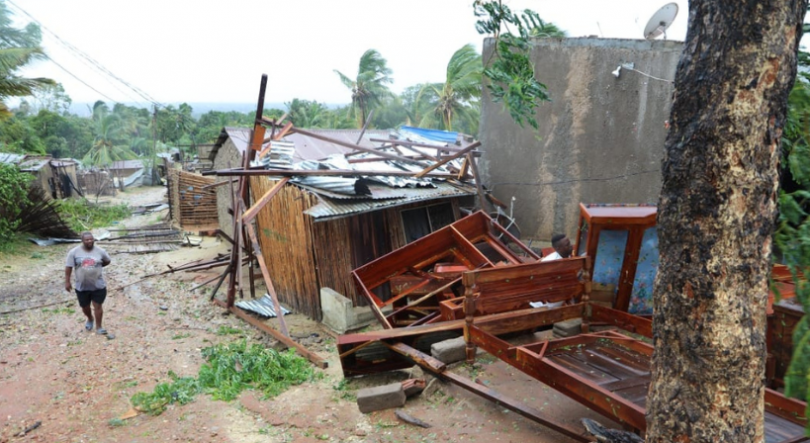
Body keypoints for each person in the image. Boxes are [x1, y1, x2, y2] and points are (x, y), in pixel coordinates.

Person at [65, 232, 112, 335]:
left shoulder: (100, 251)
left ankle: (99, 327)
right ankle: (90, 319)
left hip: (98, 285)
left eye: (91, 239)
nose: (90, 241)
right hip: (82, 286)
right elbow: (68, 267)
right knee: (85, 307)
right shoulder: (74, 252)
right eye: (87, 240)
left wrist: (99, 265)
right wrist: (67, 281)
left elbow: (108, 260)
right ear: (82, 241)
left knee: (98, 305)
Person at [532, 233, 574, 309]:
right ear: (558, 248)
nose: (571, 246)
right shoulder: (550, 263)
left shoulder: (568, 256)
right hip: (544, 305)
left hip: (557, 301)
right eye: (567, 245)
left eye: (570, 243)